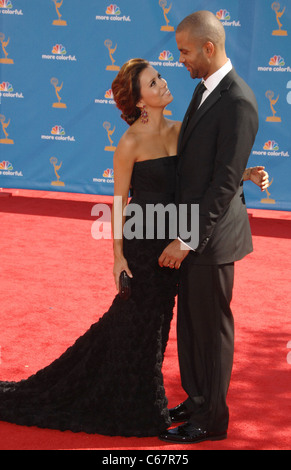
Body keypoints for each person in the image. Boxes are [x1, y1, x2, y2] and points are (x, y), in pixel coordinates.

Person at [0, 58, 267, 437]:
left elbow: (205, 177)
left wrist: (245, 173)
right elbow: (120, 203)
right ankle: (132, 401)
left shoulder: (181, 131)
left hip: (176, 243)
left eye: (159, 78)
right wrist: (118, 257)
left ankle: (141, 391)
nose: (162, 84)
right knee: (138, 324)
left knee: (157, 326)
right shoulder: (129, 144)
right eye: (153, 83)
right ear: (140, 101)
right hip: (144, 245)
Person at [158, 11, 260, 444]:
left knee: (212, 330)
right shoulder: (204, 89)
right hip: (195, 230)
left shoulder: (238, 101)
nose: (179, 59)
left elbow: (221, 184)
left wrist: (186, 238)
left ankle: (213, 419)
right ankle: (197, 398)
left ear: (208, 47)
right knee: (191, 326)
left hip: (211, 240)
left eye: (183, 51)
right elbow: (211, 166)